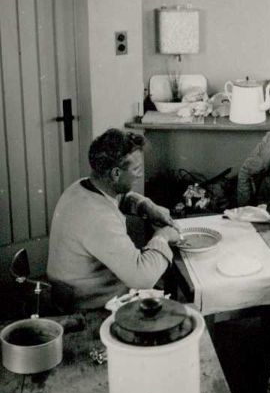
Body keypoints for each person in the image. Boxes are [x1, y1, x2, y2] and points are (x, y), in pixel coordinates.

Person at [47, 128, 182, 309]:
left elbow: (116, 199)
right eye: (136, 169)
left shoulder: (80, 188)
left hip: (78, 289)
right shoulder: (98, 218)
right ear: (116, 174)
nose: (140, 174)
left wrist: (145, 205)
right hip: (86, 305)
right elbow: (143, 278)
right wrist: (163, 236)